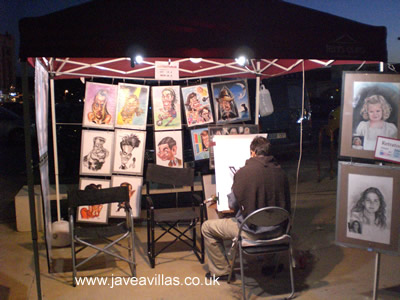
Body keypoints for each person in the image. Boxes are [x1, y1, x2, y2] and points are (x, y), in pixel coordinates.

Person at [201, 136, 291, 280]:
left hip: (252, 232)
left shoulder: (243, 173)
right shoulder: (281, 173)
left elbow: (233, 205)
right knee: (269, 217)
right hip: (278, 230)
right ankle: (270, 265)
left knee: (207, 228)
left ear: (252, 152)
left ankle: (221, 271)